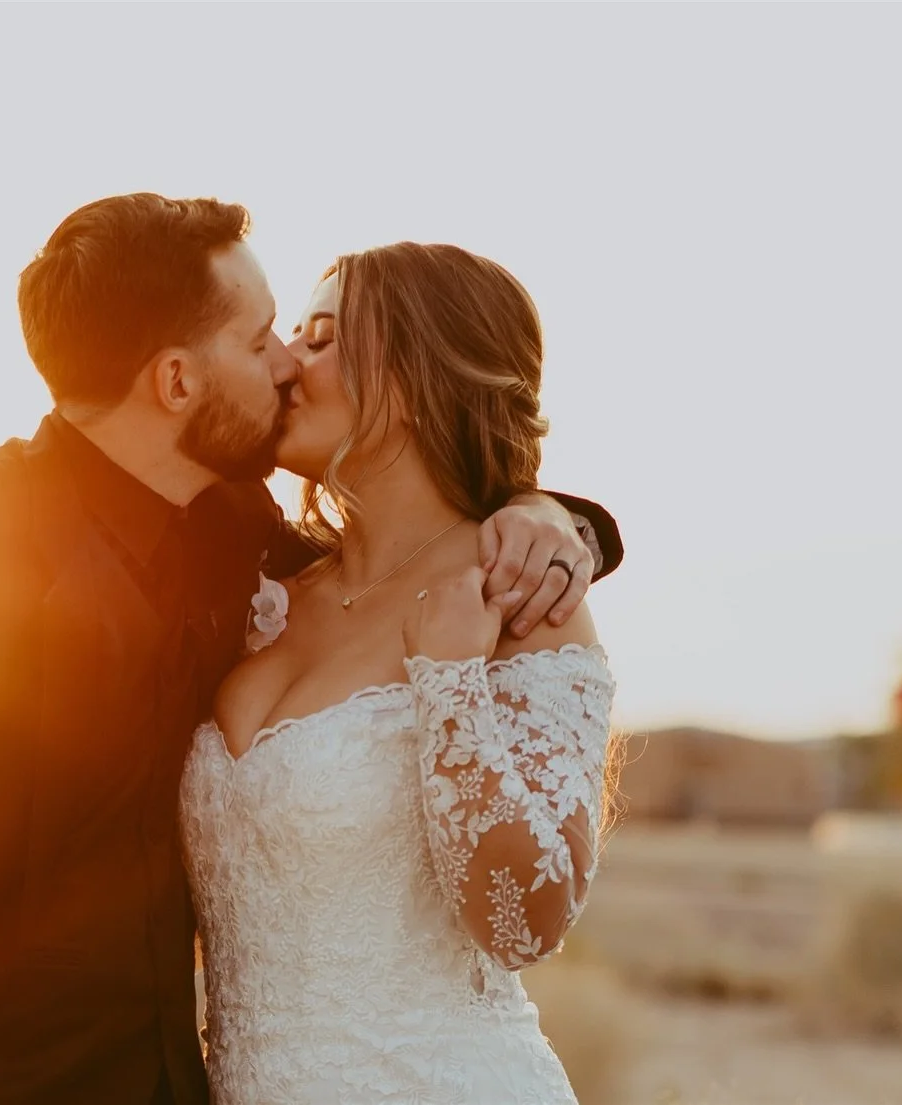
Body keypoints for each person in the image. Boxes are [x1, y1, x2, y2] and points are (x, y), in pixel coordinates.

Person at [0, 195, 622, 1105]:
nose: (284, 364)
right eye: (273, 335)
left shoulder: (252, 545)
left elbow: (411, 566)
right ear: (178, 382)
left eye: (314, 335)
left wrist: (551, 531)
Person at [180, 242, 619, 1104]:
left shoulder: (521, 598)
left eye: (321, 337)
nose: (285, 363)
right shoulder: (260, 594)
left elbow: (521, 920)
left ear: (421, 370)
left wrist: (451, 683)